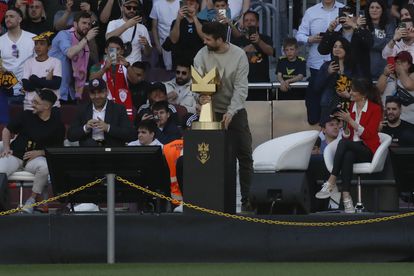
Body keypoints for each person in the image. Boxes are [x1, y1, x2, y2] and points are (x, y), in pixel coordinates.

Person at [193, 21, 253, 211]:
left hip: (235, 110)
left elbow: (241, 89)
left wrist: (231, 112)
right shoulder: (201, 54)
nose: (205, 42)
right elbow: (196, 82)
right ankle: (210, 199)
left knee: (244, 155)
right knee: (209, 157)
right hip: (209, 111)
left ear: (220, 39)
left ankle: (248, 200)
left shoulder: (239, 55)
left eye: (208, 39)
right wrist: (200, 99)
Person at [315, 78, 383, 213]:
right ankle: (346, 198)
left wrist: (350, 120)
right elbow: (349, 136)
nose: (350, 92)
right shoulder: (352, 107)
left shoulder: (375, 109)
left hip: (368, 150)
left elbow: (368, 135)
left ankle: (331, 181)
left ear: (362, 94)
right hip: (353, 148)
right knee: (348, 154)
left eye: (353, 90)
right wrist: (345, 126)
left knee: (344, 145)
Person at [0, 89, 65, 213]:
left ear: (46, 106)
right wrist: (7, 148)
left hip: (34, 160)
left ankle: (32, 199)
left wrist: (41, 152)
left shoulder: (57, 125)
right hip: (15, 155)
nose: (32, 104)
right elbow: (6, 130)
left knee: (45, 167)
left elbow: (58, 150)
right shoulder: (26, 115)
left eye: (36, 102)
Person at [296, 0, 345, 125]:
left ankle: (339, 137)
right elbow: (299, 35)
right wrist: (310, 39)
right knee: (316, 109)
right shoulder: (311, 11)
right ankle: (322, 137)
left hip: (342, 67)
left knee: (340, 105)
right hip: (317, 66)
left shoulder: (344, 9)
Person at [67, 78, 136, 146]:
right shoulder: (82, 109)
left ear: (107, 92)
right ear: (89, 94)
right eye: (93, 93)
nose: (97, 96)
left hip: (111, 151)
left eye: (100, 92)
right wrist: (85, 128)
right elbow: (70, 136)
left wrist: (108, 128)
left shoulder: (118, 109)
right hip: (89, 152)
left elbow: (130, 134)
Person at [49, 11, 99, 102]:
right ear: (75, 24)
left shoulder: (84, 44)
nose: (87, 26)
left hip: (71, 92)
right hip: (54, 92)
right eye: (84, 23)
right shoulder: (63, 34)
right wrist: (86, 38)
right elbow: (70, 53)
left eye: (89, 24)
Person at [318, 5, 373, 80]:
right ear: (339, 18)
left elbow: (369, 44)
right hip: (339, 77)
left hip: (360, 79)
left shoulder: (363, 32)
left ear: (355, 18)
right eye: (344, 16)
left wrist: (354, 26)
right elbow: (322, 50)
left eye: (350, 16)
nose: (347, 19)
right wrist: (330, 30)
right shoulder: (335, 35)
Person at [89, 36, 135, 120]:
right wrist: (104, 68)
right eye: (111, 49)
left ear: (121, 51)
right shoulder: (98, 66)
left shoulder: (126, 66)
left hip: (122, 108)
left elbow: (135, 80)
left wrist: (128, 66)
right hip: (103, 107)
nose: (115, 52)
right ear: (106, 50)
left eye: (117, 49)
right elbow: (92, 80)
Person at [0, 8, 35, 104]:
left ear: (19, 19)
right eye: (6, 17)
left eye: (11, 16)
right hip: (6, 91)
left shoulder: (33, 38)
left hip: (29, 92)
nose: (8, 19)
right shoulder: (0, 41)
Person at [315, 37, 355, 121]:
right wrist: (328, 73)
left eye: (340, 47)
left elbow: (360, 87)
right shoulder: (326, 66)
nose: (337, 49)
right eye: (335, 46)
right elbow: (317, 86)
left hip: (348, 104)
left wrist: (349, 94)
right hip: (329, 104)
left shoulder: (353, 67)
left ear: (346, 49)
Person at [22, 31, 62, 110]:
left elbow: (56, 84)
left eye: (42, 44)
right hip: (30, 106)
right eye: (36, 44)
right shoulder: (28, 62)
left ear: (49, 47)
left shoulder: (56, 62)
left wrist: (34, 79)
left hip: (51, 106)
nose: (38, 47)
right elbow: (26, 86)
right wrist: (46, 81)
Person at [232, 10, 274, 83]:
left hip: (262, 82)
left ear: (257, 23)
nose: (249, 22)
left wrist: (259, 42)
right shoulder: (237, 40)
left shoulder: (265, 38)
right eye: (246, 20)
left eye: (252, 20)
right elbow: (232, 58)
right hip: (242, 83)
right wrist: (244, 50)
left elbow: (271, 52)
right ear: (244, 23)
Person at [106, 0, 152, 65]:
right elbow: (108, 39)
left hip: (135, 67)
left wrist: (146, 45)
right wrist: (126, 25)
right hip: (115, 65)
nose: (132, 10)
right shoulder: (113, 23)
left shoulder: (142, 28)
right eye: (128, 7)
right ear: (122, 8)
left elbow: (148, 54)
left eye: (134, 8)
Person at [365, 0, 395, 79]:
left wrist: (369, 39)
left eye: (377, 7)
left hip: (384, 71)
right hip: (365, 71)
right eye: (372, 7)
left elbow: (390, 43)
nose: (374, 10)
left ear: (382, 10)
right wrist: (382, 42)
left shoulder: (389, 25)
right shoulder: (363, 25)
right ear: (368, 10)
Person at [169, 0, 204, 67]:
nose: (188, 6)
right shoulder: (176, 22)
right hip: (180, 63)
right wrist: (178, 19)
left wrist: (194, 17)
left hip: (198, 62)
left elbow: (204, 38)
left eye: (191, 3)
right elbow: (173, 40)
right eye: (186, 4)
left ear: (197, 6)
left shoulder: (204, 22)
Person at [150, 0, 179, 71]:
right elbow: (154, 27)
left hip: (180, 44)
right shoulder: (157, 5)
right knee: (167, 71)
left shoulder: (182, 3)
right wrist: (158, 46)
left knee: (180, 72)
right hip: (164, 44)